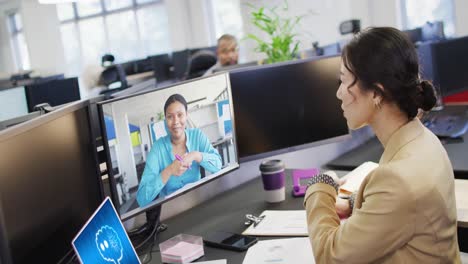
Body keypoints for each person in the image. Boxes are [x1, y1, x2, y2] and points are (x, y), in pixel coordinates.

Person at [304, 27, 461, 263]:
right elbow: (406, 210)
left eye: (344, 81)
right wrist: (353, 203)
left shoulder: (398, 180)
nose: (338, 94)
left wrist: (320, 187)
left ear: (377, 92)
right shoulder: (423, 139)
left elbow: (329, 256)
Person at [136, 94, 222, 207]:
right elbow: (142, 199)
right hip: (171, 210)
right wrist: (170, 170)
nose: (175, 121)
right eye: (170, 117)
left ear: (186, 115)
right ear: (165, 120)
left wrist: (196, 155)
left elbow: (218, 165)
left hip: (198, 202)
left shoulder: (197, 135)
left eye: (180, 115)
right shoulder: (157, 148)